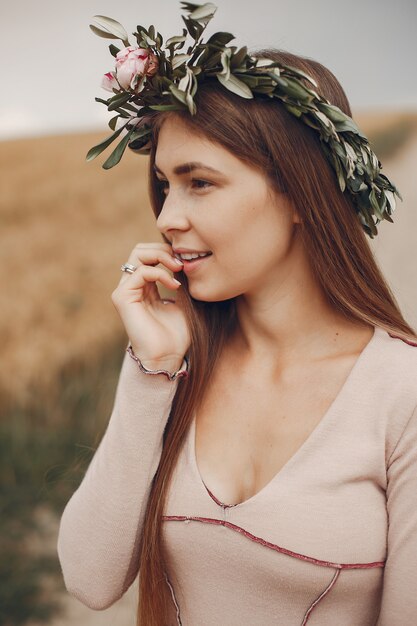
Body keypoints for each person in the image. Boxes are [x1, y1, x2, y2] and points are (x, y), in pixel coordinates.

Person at [58, 4, 417, 625]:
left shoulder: (401, 395)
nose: (168, 217)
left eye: (200, 182)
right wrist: (153, 368)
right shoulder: (176, 362)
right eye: (165, 184)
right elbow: (90, 579)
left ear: (300, 191)